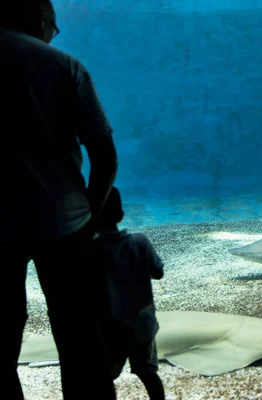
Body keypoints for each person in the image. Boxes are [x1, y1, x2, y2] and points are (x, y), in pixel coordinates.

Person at [0, 1, 118, 399]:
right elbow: (105, 156)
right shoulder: (64, 66)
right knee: (81, 335)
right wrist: (89, 217)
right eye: (55, 27)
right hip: (63, 222)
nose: (54, 34)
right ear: (41, 19)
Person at [93, 187, 166, 400]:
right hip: (142, 325)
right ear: (121, 215)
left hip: (109, 326)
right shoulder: (140, 241)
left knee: (104, 377)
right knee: (149, 374)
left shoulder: (92, 249)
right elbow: (158, 272)